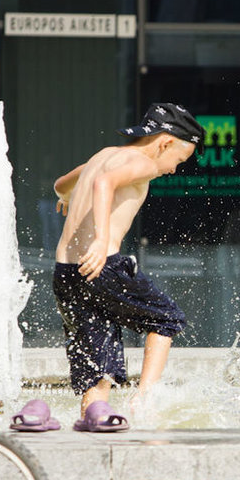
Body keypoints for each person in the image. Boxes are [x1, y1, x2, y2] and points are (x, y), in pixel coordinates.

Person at [51, 102, 204, 432]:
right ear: (164, 143)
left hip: (66, 272)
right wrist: (100, 240)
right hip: (100, 266)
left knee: (97, 362)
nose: (175, 169)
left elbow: (62, 182)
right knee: (166, 318)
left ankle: (95, 420)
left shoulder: (103, 154)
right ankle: (144, 399)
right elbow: (104, 184)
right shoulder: (142, 162)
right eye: (179, 160)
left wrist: (65, 196)